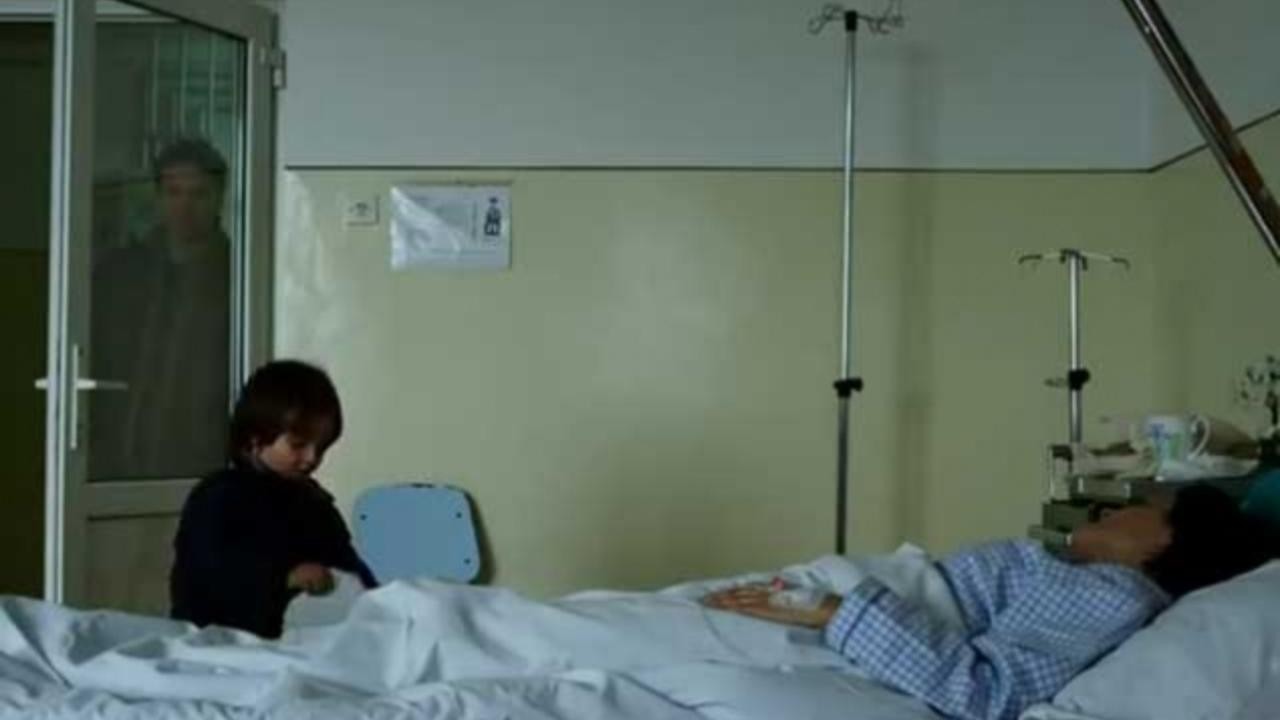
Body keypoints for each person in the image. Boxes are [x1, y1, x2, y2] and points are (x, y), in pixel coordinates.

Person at [703, 485, 1276, 720]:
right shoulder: (1088, 580)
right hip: (871, 599)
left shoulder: (1115, 593)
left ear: (1165, 542)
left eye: (1145, 507)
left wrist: (834, 610)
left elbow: (988, 691)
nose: (1114, 510)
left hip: (869, 621)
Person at [170, 360, 377, 639]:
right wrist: (284, 577)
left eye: (321, 447)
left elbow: (346, 564)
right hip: (218, 642)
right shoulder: (219, 496)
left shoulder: (313, 502)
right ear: (255, 440)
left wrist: (380, 601)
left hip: (294, 643)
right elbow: (209, 572)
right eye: (298, 445)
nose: (312, 458)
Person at [90, 137, 232, 481]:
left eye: (198, 194)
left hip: (202, 454)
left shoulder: (236, 275)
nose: (185, 206)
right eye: (174, 193)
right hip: (118, 450)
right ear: (158, 197)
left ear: (219, 198)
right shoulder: (121, 272)